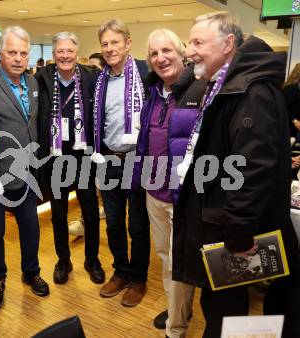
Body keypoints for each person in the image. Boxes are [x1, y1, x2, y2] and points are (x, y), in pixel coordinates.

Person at [174, 11, 300, 337]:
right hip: (223, 222)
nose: (190, 50)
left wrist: (238, 230)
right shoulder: (223, 84)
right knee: (221, 305)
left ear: (228, 43)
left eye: (199, 42)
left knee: (224, 308)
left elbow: (253, 168)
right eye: (191, 42)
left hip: (234, 232)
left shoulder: (251, 91)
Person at [133, 29, 206, 337]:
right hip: (154, 192)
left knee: (177, 264)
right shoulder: (152, 92)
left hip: (184, 196)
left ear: (182, 53)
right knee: (166, 260)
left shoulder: (200, 91)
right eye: (153, 53)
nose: (160, 58)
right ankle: (179, 310)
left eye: (167, 50)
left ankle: (175, 329)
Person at [0, 25, 49, 311]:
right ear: (1, 52)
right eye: (12, 52)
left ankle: (31, 271)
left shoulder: (32, 83)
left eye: (24, 53)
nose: (19, 59)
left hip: (27, 173)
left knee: (31, 228)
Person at [35, 31, 105, 285]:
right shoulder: (42, 78)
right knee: (58, 213)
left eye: (69, 51)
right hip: (55, 158)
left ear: (77, 53)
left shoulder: (91, 77)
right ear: (54, 55)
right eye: (60, 51)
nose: (65, 55)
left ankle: (92, 258)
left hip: (83, 156)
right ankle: (63, 260)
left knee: (90, 211)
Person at [91, 18, 150, 307]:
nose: (110, 48)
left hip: (137, 161)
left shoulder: (145, 72)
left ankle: (139, 278)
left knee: (137, 225)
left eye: (115, 42)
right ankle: (121, 271)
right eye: (105, 44)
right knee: (113, 223)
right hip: (109, 160)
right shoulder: (100, 79)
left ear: (128, 43)